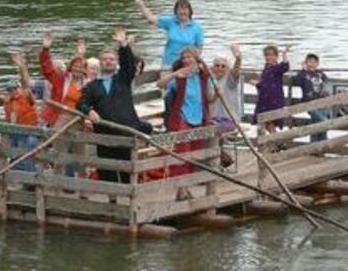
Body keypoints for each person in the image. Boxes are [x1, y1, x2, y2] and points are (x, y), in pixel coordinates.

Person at [78, 27, 152, 188]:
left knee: (127, 171)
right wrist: (89, 111)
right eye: (105, 59)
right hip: (104, 134)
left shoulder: (123, 79)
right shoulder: (92, 86)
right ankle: (112, 202)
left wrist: (124, 45)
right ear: (100, 63)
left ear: (116, 62)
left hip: (126, 132)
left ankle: (128, 203)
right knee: (107, 172)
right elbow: (81, 103)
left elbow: (129, 65)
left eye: (112, 59)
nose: (108, 61)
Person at [157, 47, 211, 200]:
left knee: (194, 154)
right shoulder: (179, 77)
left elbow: (209, 76)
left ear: (196, 59)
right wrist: (175, 73)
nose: (186, 60)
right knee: (182, 154)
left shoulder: (202, 76)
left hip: (199, 118)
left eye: (189, 57)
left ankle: (186, 188)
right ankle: (182, 190)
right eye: (184, 58)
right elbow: (160, 84)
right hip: (182, 117)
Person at [39, 31, 86, 177]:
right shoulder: (61, 80)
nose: (78, 69)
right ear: (70, 67)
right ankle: (58, 184)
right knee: (60, 153)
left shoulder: (88, 84)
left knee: (80, 155)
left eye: (81, 67)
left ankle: (81, 186)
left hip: (79, 120)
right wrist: (46, 49)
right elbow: (47, 70)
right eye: (75, 66)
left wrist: (81, 54)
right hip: (61, 117)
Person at [130, 0, 205, 69]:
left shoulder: (197, 28)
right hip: (168, 63)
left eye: (185, 9)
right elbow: (150, 18)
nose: (183, 12)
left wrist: (194, 65)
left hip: (186, 65)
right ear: (176, 11)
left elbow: (199, 50)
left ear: (190, 11)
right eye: (180, 9)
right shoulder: (170, 22)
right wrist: (140, 2)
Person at [2, 52, 40, 173]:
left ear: (19, 88)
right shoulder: (8, 101)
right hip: (15, 133)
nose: (14, 91)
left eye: (15, 88)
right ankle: (18, 172)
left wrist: (22, 67)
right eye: (10, 90)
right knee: (11, 150)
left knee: (27, 149)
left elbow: (26, 83)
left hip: (30, 131)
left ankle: (30, 177)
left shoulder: (26, 95)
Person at [251, 45, 290, 135]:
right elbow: (265, 83)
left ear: (276, 56)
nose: (269, 57)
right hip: (264, 99)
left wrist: (284, 55)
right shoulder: (266, 67)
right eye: (267, 55)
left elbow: (285, 67)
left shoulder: (277, 68)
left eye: (272, 55)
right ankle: (276, 144)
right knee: (266, 123)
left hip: (273, 100)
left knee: (270, 122)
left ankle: (278, 142)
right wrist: (257, 83)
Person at [294, 53, 330, 142]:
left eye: (314, 62)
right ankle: (322, 142)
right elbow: (297, 81)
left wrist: (326, 92)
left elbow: (327, 82)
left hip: (322, 102)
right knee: (322, 121)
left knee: (317, 123)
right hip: (309, 103)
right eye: (309, 62)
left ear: (317, 63)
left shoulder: (320, 73)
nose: (312, 64)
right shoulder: (303, 74)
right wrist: (303, 70)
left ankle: (316, 146)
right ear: (306, 63)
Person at [208, 44, 243, 133]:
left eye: (223, 66)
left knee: (214, 130)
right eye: (217, 65)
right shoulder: (209, 79)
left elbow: (235, 71)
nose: (220, 68)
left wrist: (238, 59)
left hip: (228, 119)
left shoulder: (229, 80)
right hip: (211, 118)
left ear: (227, 68)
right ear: (212, 67)